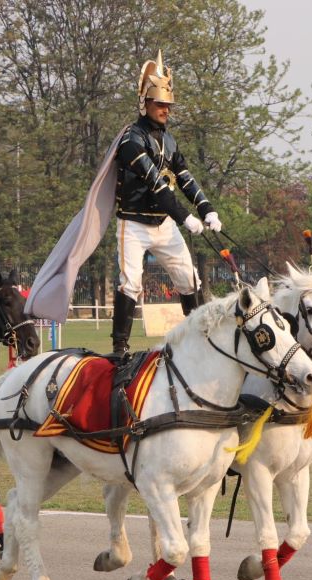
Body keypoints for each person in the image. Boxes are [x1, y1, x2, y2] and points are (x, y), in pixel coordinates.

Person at [109, 50, 222, 355]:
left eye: (168, 105)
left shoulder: (169, 141)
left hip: (164, 224)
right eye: (160, 104)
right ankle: (119, 348)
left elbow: (184, 177)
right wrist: (186, 217)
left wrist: (207, 208)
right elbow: (156, 185)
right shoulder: (131, 140)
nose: (165, 110)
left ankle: (201, 338)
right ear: (144, 103)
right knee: (130, 283)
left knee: (189, 279)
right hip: (133, 223)